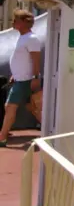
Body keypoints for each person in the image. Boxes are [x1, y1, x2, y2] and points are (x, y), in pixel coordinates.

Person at [0, 10, 43, 147]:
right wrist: (15, 74)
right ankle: (53, 134)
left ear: (24, 22)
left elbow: (35, 60)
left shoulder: (31, 39)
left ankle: (2, 137)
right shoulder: (23, 37)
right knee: (32, 107)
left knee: (10, 106)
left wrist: (35, 77)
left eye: (16, 19)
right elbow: (22, 60)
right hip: (21, 79)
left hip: (26, 80)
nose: (13, 22)